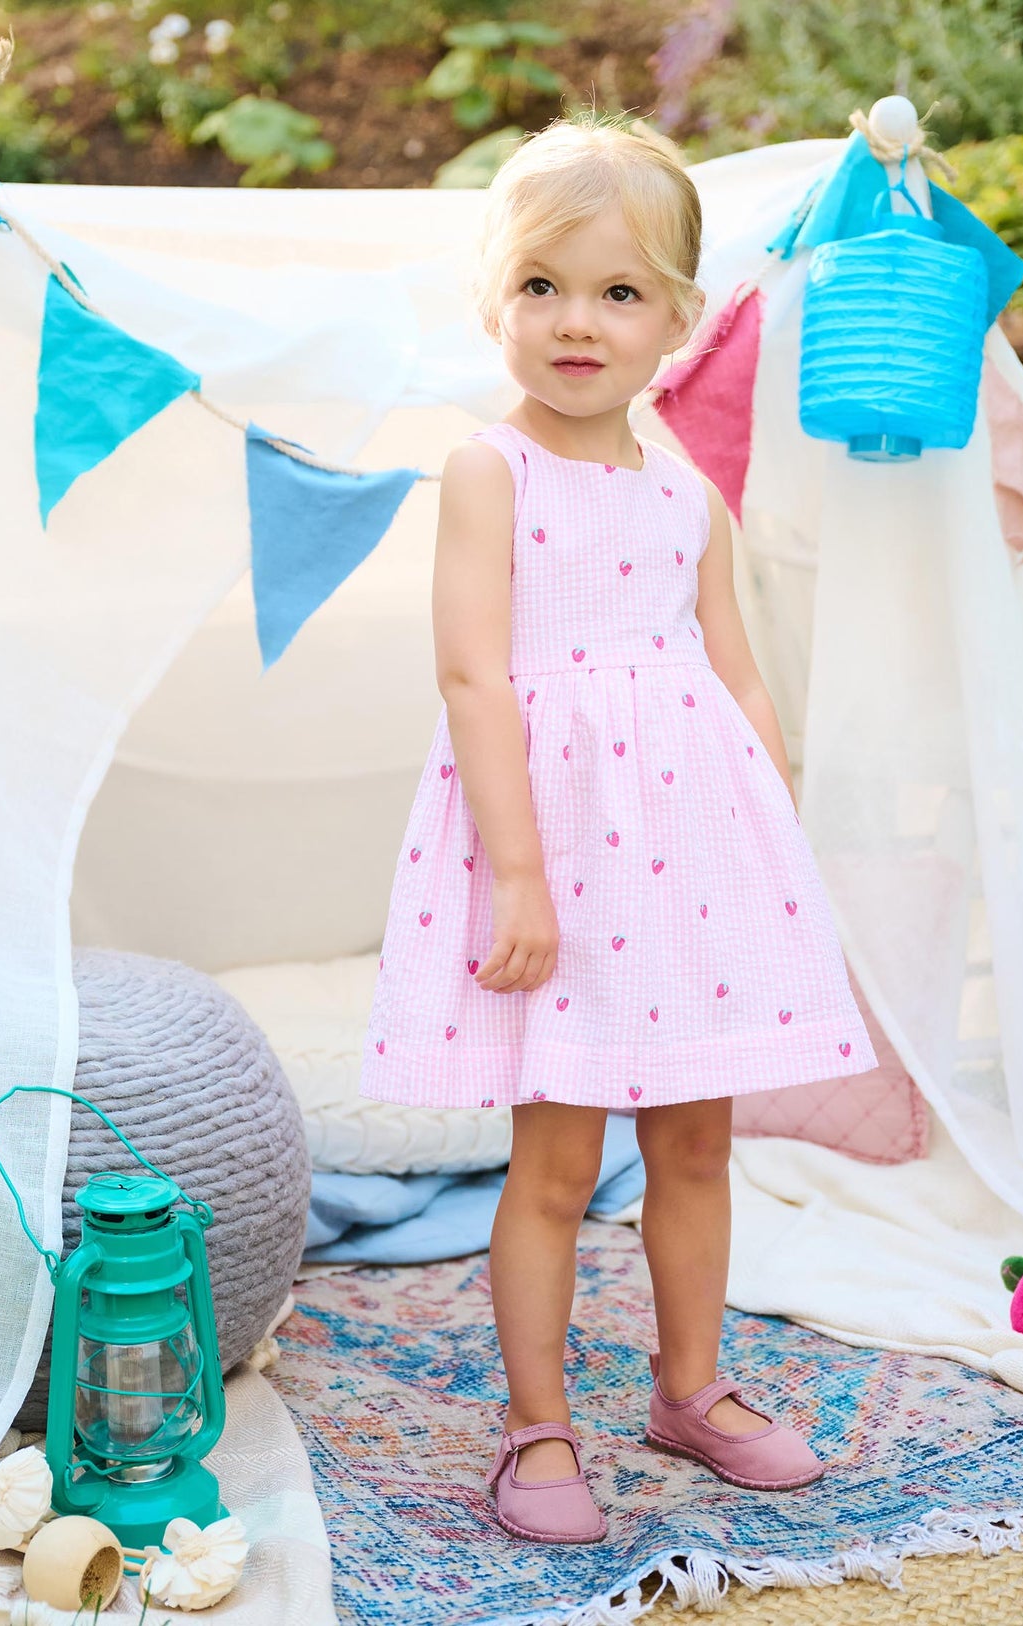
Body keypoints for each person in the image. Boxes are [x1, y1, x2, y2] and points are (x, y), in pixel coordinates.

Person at [357, 111, 878, 1544]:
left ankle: (689, 1386)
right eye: (542, 285)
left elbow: (735, 675)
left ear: (677, 320)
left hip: (692, 866)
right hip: (559, 857)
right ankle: (536, 1427)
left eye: (617, 291)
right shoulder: (489, 472)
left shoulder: (686, 493)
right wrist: (518, 880)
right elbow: (473, 677)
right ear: (496, 303)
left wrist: (770, 845)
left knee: (697, 1148)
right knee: (557, 1163)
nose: (577, 320)